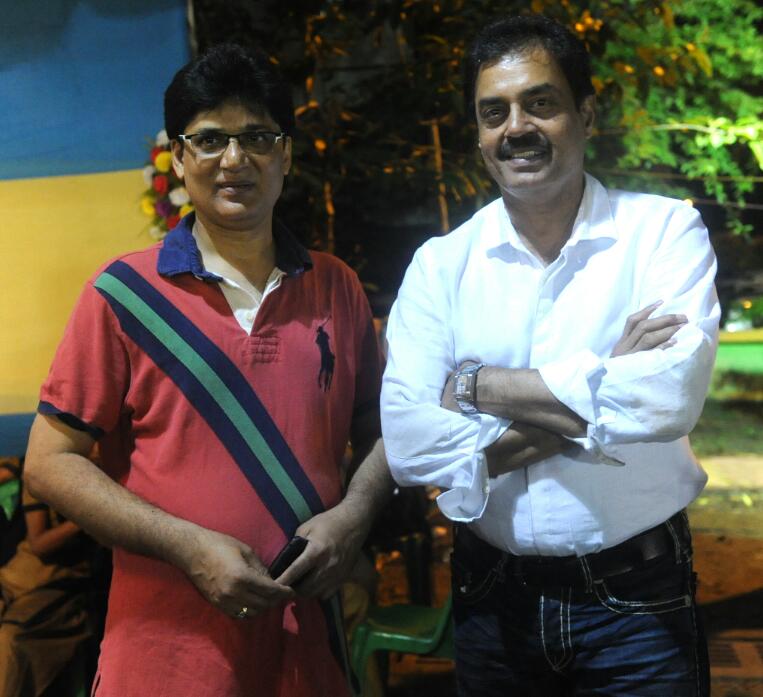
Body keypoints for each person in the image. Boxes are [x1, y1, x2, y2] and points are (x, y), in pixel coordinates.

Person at [25, 43, 391, 697]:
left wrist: (354, 516)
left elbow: (384, 430)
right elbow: (49, 463)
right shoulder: (122, 294)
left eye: (257, 137)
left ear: (286, 154)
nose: (234, 159)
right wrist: (186, 546)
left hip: (306, 651)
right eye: (210, 139)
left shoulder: (336, 287)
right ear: (178, 157)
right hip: (164, 654)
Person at [381, 14, 719, 697]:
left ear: (584, 113)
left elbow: (667, 399)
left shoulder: (661, 232)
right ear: (478, 133)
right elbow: (411, 447)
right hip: (492, 600)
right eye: (494, 112)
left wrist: (475, 385)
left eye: (540, 103)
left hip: (637, 603)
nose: (516, 128)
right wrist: (606, 382)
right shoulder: (441, 265)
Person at [0, 483, 93, 697]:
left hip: (58, 586)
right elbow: (38, 543)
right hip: (16, 577)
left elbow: (39, 544)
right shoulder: (38, 478)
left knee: (11, 641)